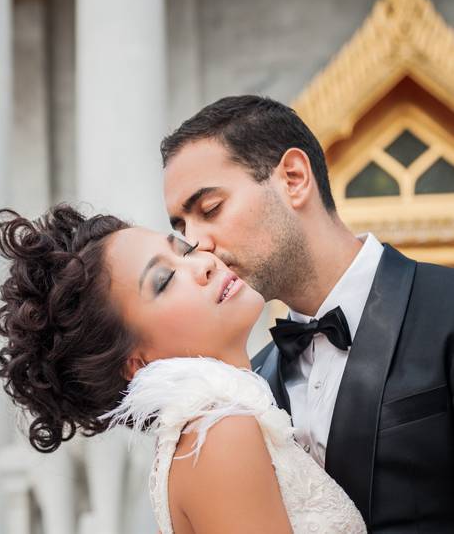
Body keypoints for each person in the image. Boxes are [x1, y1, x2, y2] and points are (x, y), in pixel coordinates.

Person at [160, 95, 454, 532]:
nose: (196, 243)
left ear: (294, 179)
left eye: (210, 210)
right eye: (182, 228)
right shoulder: (251, 387)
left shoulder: (444, 305)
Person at [0, 205, 365, 533]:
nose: (203, 264)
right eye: (165, 280)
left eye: (184, 250)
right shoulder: (220, 433)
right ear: (137, 362)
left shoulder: (198, 436)